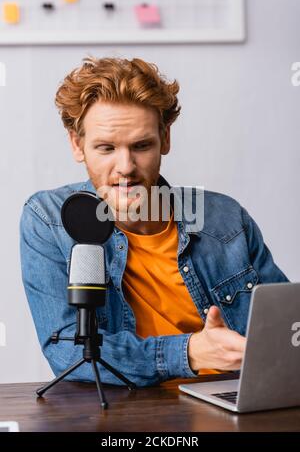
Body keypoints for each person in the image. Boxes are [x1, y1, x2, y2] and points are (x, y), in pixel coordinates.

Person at [20, 57, 288, 387]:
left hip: (236, 399)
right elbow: (66, 350)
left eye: (142, 146)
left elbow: (286, 328)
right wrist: (188, 353)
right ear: (77, 145)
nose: (126, 167)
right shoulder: (49, 220)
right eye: (105, 148)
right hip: (129, 414)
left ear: (165, 138)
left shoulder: (225, 217)